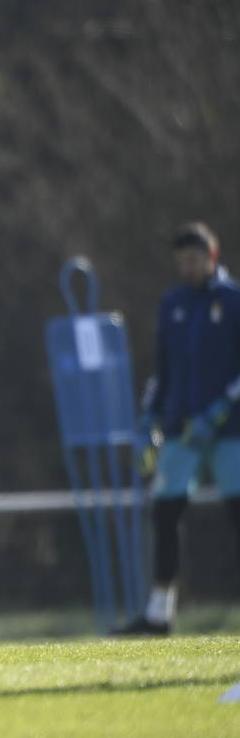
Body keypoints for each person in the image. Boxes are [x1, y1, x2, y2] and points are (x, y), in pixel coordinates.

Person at [119, 222, 240, 634]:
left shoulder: (233, 300)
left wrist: (223, 408)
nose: (187, 268)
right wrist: (148, 419)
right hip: (180, 430)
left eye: (194, 260)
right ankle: (158, 613)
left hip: (230, 431)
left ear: (212, 256)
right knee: (166, 512)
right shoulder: (172, 304)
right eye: (181, 262)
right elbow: (164, 368)